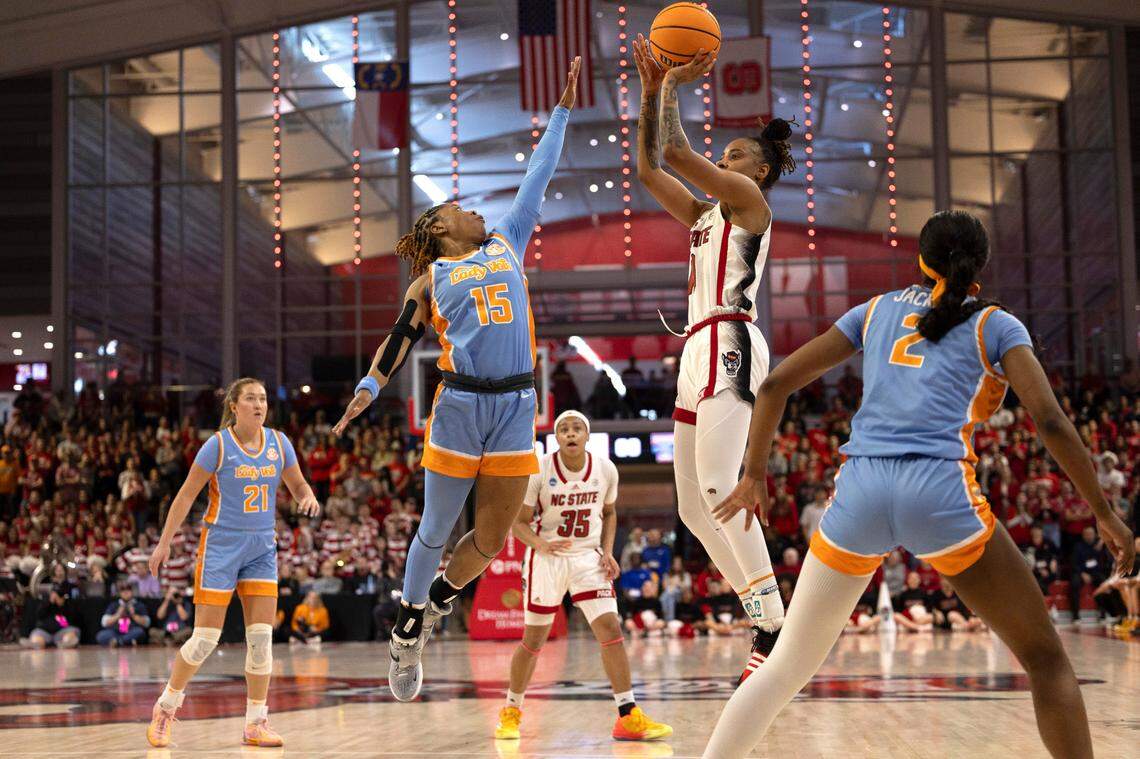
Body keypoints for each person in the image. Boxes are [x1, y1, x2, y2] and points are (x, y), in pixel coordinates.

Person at [704, 210, 1135, 758]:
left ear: (920, 261)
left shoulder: (875, 309)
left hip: (860, 490)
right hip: (939, 492)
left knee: (786, 664)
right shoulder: (996, 324)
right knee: (1046, 661)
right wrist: (1102, 509)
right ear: (978, 268)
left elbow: (774, 387)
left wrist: (754, 475)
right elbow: (1050, 421)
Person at [331, 58, 580, 703]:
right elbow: (398, 338)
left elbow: (538, 175)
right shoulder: (431, 279)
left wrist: (559, 114)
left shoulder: (506, 243)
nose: (476, 212)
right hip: (461, 405)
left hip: (518, 403)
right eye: (462, 210)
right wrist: (368, 386)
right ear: (440, 229)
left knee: (495, 539)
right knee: (435, 530)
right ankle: (408, 631)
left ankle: (438, 598)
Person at [633, 36, 793, 682]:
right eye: (723, 155)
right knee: (695, 511)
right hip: (695, 347)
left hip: (729, 338)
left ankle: (772, 621)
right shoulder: (702, 214)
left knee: (720, 489)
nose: (723, 161)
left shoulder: (753, 207)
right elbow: (651, 168)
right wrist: (651, 92)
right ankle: (764, 610)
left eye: (736, 157)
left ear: (757, 172)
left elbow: (675, 152)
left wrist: (669, 82)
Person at [146, 378, 321, 748]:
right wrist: (164, 543)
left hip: (261, 549)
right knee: (204, 639)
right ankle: (166, 706)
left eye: (262, 399)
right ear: (234, 406)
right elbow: (184, 496)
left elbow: (299, 485)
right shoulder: (217, 445)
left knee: (261, 639)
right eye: (251, 399)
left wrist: (308, 498)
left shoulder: (279, 443)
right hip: (220, 548)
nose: (259, 405)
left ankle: (255, 722)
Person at [494, 411, 671, 742]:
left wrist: (607, 551)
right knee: (534, 640)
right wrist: (541, 544)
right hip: (547, 558)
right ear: (557, 437)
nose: (571, 433)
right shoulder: (539, 470)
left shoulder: (605, 469)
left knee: (611, 630)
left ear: (587, 435)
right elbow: (518, 523)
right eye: (564, 429)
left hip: (587, 557)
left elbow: (609, 512)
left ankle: (628, 715)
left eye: (577, 428)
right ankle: (511, 711)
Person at [96, 581, 149, 647]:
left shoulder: (139, 605)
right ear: (120, 593)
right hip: (116, 631)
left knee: (140, 632)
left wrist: (134, 615)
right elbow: (104, 623)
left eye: (128, 589)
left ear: (132, 591)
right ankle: (126, 642)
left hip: (131, 630)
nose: (126, 592)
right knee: (101, 635)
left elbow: (147, 623)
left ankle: (118, 642)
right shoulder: (114, 605)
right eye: (123, 590)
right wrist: (118, 615)